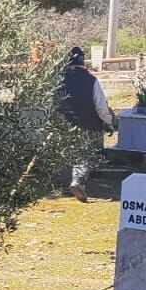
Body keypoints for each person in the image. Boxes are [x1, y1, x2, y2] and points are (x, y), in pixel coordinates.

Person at [57, 47, 115, 203]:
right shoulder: (91, 80)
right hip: (87, 124)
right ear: (83, 62)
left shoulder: (58, 79)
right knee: (86, 154)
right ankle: (78, 181)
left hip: (62, 124)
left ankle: (64, 186)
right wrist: (109, 123)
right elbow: (101, 107)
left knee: (65, 154)